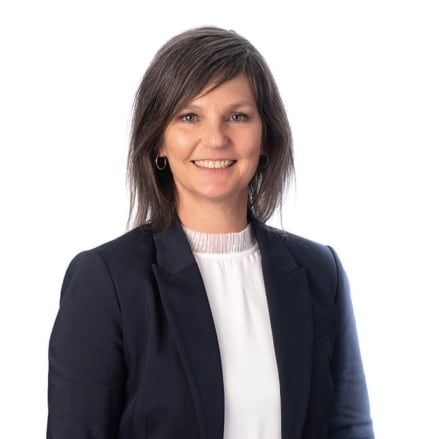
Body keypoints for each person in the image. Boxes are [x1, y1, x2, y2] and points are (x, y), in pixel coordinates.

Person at [47, 26, 373, 439]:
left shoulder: (319, 271)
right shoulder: (107, 280)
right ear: (158, 142)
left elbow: (348, 429)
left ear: (266, 135)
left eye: (237, 116)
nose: (216, 138)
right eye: (189, 117)